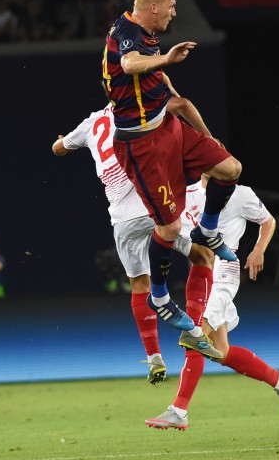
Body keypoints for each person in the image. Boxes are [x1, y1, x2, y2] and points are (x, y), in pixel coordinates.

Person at [101, 0, 242, 344]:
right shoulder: (129, 35)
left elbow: (172, 96)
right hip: (141, 145)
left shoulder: (143, 32)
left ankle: (209, 229)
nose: (175, 12)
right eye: (171, 5)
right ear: (152, 9)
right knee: (168, 227)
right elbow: (130, 63)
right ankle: (161, 297)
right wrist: (166, 59)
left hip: (169, 129)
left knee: (230, 169)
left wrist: (207, 137)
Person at [52, 90, 224, 384]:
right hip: (153, 202)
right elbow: (181, 105)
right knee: (203, 255)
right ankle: (193, 330)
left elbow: (58, 149)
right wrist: (208, 141)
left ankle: (154, 357)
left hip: (121, 218)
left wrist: (62, 142)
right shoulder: (138, 111)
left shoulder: (91, 123)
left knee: (139, 283)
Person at [145, 171, 279, 429]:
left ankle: (179, 410)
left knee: (194, 336)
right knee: (221, 352)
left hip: (225, 271)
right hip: (201, 272)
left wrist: (258, 250)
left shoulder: (240, 193)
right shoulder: (189, 194)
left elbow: (268, 221)